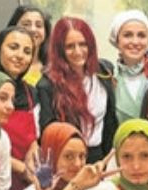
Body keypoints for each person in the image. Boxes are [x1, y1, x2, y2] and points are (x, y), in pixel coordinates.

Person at [0, 25, 53, 190]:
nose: (20, 56)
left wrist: (33, 158)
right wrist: (21, 168)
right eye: (13, 47)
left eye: (27, 51)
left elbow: (34, 136)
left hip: (25, 183)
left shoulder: (30, 92)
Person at [43, 16, 117, 163]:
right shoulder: (48, 84)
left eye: (83, 44)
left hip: (100, 157)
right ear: (59, 50)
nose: (78, 51)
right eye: (70, 46)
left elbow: (109, 122)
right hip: (68, 160)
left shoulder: (104, 72)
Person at [109, 10, 148, 124]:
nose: (135, 42)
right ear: (117, 41)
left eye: (141, 35)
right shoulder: (109, 78)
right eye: (128, 35)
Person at [6, 4, 51, 85]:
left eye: (38, 25)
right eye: (26, 24)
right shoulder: (3, 68)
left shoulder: (53, 68)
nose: (33, 29)